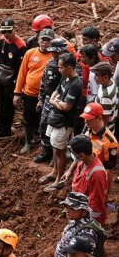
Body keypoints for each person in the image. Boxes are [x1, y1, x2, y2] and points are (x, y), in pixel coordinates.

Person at [41, 54, 86, 189]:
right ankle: (55, 172)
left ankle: (59, 180)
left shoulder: (76, 84)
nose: (59, 69)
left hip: (65, 123)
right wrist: (55, 100)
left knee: (60, 150)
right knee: (55, 147)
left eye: (61, 67)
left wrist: (54, 102)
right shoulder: (65, 77)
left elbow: (67, 107)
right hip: (56, 118)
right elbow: (56, 91)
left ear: (69, 68)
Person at [14, 30, 53, 153]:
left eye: (48, 40)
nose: (45, 43)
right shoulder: (30, 53)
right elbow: (22, 73)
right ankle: (28, 141)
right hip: (30, 93)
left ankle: (44, 143)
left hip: (47, 96)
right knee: (28, 118)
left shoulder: (55, 55)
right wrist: (17, 92)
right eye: (43, 40)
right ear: (38, 40)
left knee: (45, 119)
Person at [35, 35, 71, 164]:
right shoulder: (50, 62)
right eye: (53, 52)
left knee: (57, 128)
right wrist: (41, 99)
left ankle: (56, 156)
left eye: (57, 52)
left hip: (60, 101)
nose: (54, 54)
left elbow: (69, 86)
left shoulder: (70, 65)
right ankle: (47, 151)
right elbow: (44, 81)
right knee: (44, 126)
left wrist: (59, 101)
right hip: (48, 99)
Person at [65, 102, 119, 186]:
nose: (85, 121)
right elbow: (80, 155)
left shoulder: (110, 142)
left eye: (89, 119)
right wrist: (70, 171)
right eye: (85, 118)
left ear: (99, 118)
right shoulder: (88, 131)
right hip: (85, 172)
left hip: (96, 178)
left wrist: (105, 190)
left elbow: (109, 169)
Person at [0, 18, 28, 138]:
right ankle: (1, 126)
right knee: (1, 103)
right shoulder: (2, 41)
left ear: (14, 29)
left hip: (12, 79)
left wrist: (18, 85)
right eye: (4, 32)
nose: (6, 34)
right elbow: (0, 60)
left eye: (9, 31)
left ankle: (5, 130)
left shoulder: (20, 46)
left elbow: (21, 68)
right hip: (1, 76)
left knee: (8, 106)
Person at [65, 136, 109, 224]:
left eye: (73, 153)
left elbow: (95, 202)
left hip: (86, 217)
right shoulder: (82, 162)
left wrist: (88, 223)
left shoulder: (96, 174)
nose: (72, 155)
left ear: (81, 155)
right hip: (78, 210)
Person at [91, 62, 117, 129]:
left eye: (97, 75)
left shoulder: (105, 97)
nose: (94, 77)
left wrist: (97, 130)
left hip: (104, 129)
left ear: (105, 77)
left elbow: (105, 120)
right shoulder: (110, 82)